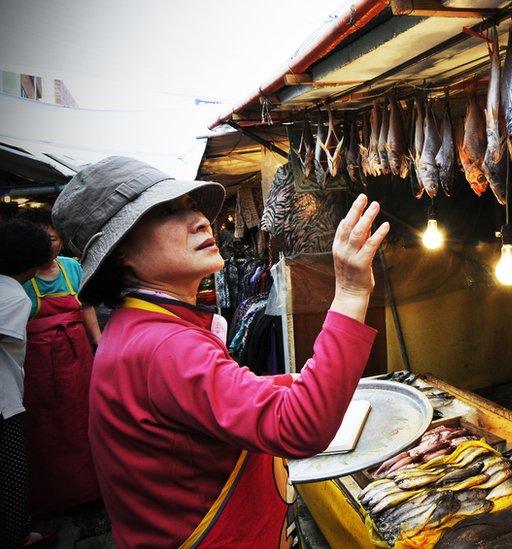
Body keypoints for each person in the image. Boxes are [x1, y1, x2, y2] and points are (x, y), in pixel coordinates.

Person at [52, 156, 390, 546]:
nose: (199, 220)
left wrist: (286, 382)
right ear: (120, 253)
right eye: (165, 212)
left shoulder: (143, 327)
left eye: (191, 206)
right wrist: (350, 292)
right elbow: (302, 426)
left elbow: (211, 398)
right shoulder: (165, 346)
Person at [17, 206, 102, 515]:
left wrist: (98, 344)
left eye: (53, 237)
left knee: (84, 420)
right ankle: (54, 497)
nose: (49, 244)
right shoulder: (21, 276)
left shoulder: (72, 267)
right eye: (42, 238)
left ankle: (91, 488)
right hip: (37, 361)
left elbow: (87, 307)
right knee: (46, 427)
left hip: (78, 356)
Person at [0, 219, 53, 547]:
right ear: (33, 266)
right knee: (11, 478)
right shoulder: (14, 297)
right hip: (4, 403)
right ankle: (16, 537)